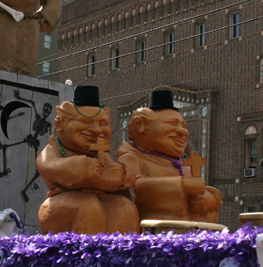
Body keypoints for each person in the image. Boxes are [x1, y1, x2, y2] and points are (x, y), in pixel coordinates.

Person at [37, 85, 139, 234]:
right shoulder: (54, 148)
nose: (97, 130)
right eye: (86, 122)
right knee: (88, 205)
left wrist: (121, 174)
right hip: (62, 204)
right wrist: (79, 168)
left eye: (103, 124)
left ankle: (120, 255)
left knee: (125, 208)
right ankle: (83, 255)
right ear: (61, 124)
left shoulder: (100, 153)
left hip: (101, 200)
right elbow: (47, 165)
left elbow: (126, 178)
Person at [116, 90, 223, 223]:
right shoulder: (132, 158)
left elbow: (199, 192)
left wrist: (208, 200)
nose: (182, 131)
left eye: (184, 125)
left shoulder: (183, 166)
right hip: (154, 237)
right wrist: (181, 186)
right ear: (142, 126)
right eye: (173, 124)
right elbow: (135, 190)